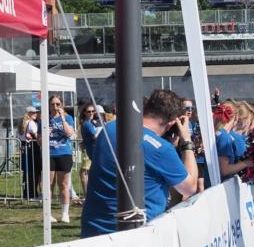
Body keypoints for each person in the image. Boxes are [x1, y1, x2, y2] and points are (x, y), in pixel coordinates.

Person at [81, 89, 199, 238]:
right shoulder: (161, 149)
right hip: (135, 235)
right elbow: (190, 188)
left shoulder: (110, 128)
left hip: (93, 229)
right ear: (171, 123)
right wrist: (186, 141)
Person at [47, 96, 76, 224]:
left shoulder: (68, 118)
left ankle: (65, 213)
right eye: (52, 104)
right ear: (48, 105)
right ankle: (47, 213)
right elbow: (39, 140)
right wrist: (44, 134)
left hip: (64, 153)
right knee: (49, 185)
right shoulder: (44, 118)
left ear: (61, 105)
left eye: (57, 104)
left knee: (63, 184)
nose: (55, 107)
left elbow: (69, 133)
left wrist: (62, 118)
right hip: (49, 154)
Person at [214, 103, 254, 181]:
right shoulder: (224, 137)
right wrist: (246, 163)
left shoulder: (222, 134)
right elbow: (224, 170)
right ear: (235, 118)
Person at [182, 98, 208, 191]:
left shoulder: (191, 124)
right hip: (184, 158)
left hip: (195, 157)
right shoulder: (179, 123)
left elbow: (195, 139)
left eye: (191, 108)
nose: (189, 110)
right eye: (187, 108)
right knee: (186, 191)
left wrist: (199, 146)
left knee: (201, 187)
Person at [79, 103, 103, 197]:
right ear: (85, 113)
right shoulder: (87, 124)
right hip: (91, 151)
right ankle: (88, 194)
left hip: (94, 151)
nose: (91, 113)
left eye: (93, 111)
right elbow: (95, 136)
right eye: (89, 111)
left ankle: (92, 193)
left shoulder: (92, 122)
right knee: (87, 173)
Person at [21, 106, 41, 200]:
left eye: (35, 112)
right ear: (28, 114)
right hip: (32, 149)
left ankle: (27, 193)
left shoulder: (22, 124)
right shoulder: (32, 123)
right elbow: (37, 135)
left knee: (27, 172)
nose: (35, 114)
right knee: (34, 172)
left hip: (25, 149)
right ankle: (32, 194)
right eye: (33, 113)